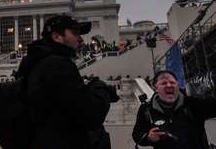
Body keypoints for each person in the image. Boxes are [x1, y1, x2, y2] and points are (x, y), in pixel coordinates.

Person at [15, 15, 117, 149]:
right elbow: (90, 114)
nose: (80, 39)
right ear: (57, 37)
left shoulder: (38, 64)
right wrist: (100, 88)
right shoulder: (57, 65)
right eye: (75, 33)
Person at [132, 70, 216, 149]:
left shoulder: (192, 104)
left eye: (172, 82)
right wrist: (148, 138)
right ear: (156, 88)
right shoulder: (146, 110)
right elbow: (137, 134)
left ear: (177, 85)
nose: (169, 85)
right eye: (164, 83)